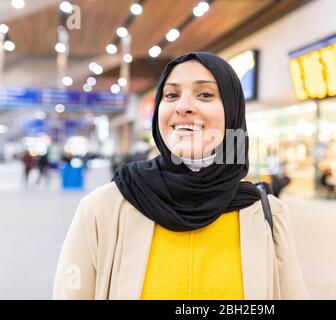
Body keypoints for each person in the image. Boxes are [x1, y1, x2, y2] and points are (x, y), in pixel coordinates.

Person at [53, 52, 308, 300]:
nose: (183, 106)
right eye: (172, 95)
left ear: (232, 112)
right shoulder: (104, 209)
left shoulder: (267, 215)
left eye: (205, 94)